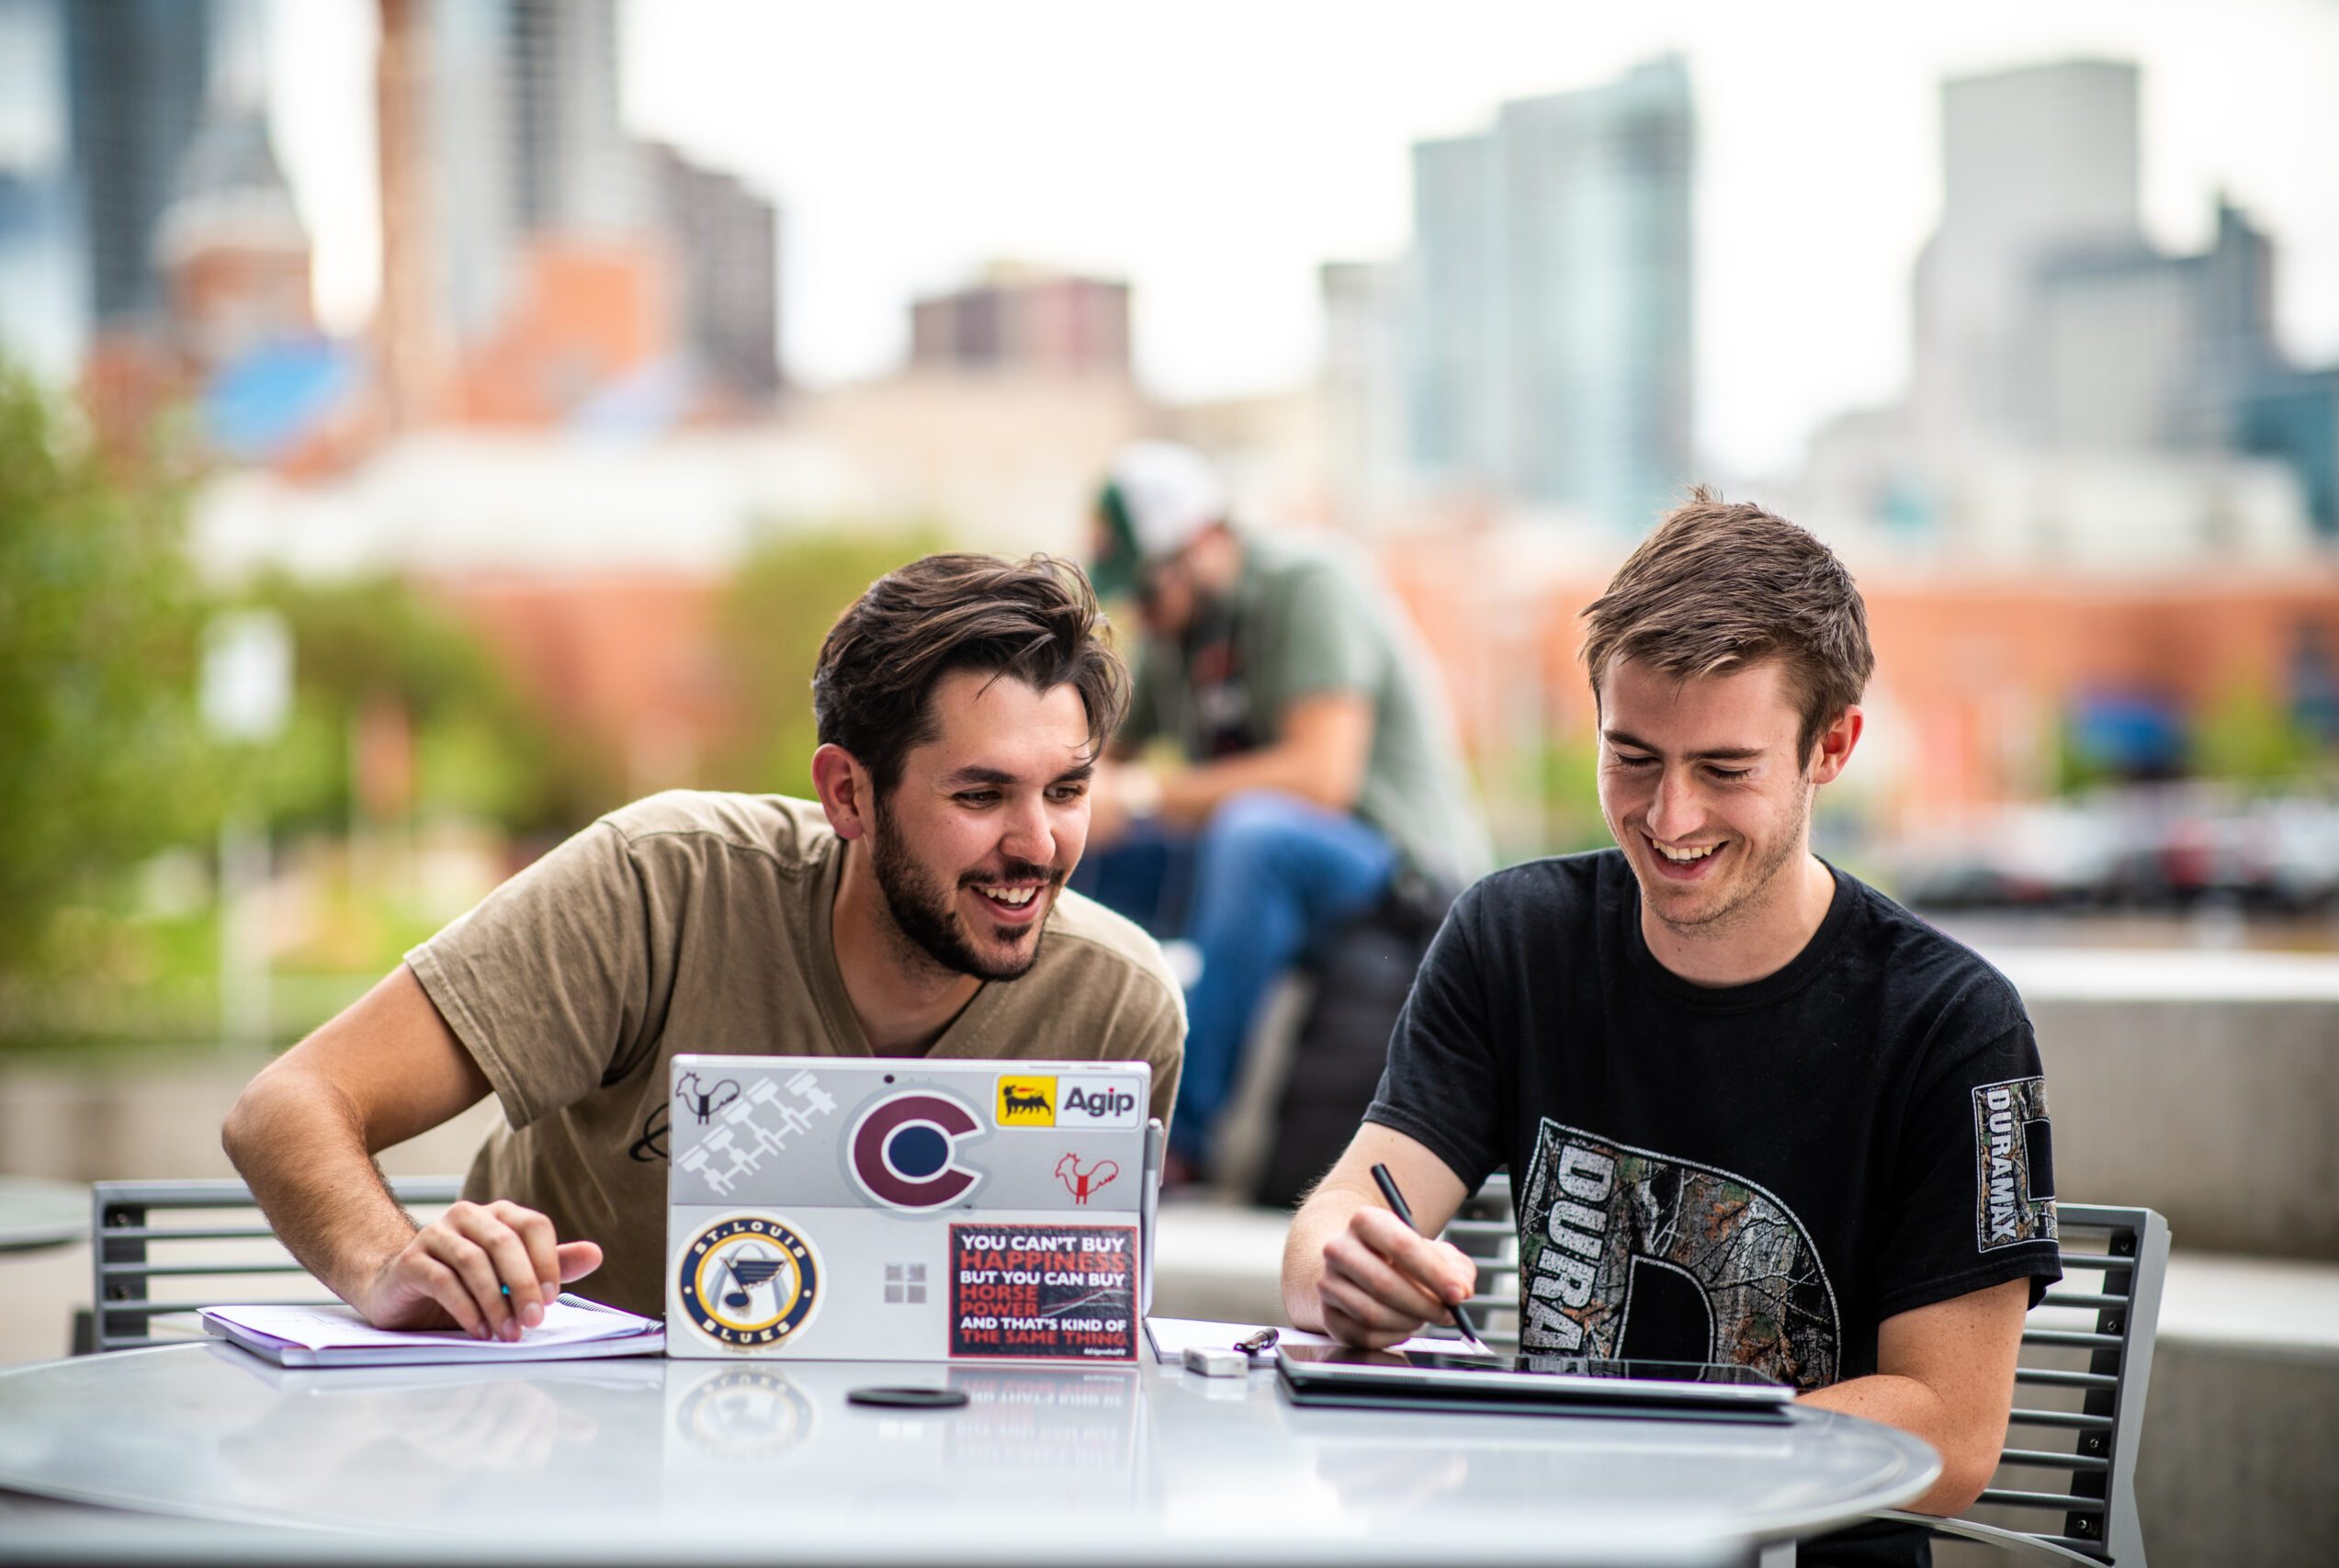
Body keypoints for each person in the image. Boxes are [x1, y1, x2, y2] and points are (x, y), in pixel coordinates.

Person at [1281, 492, 2061, 1566]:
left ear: (1830, 747)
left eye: (1724, 770)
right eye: (1632, 757)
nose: (1669, 817)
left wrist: (1626, 1459)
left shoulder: (1949, 1023)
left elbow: (1953, 1430)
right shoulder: (1514, 936)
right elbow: (1340, 1219)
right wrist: (1344, 1273)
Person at [223, 553, 1183, 1330]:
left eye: (1066, 791)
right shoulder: (660, 884)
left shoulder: (1119, 1005)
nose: (1038, 845)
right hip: (565, 1460)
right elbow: (287, 1107)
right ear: (847, 793)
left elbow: (1073, 1341)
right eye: (980, 796)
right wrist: (388, 1262)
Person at [1080, 441, 1489, 1174]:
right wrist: (1063, 805)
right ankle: (1046, 1099)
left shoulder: (1311, 582)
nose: (1141, 612)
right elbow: (1104, 767)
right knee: (1072, 845)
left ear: (1202, 544)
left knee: (1250, 833)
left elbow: (1318, 778)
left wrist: (1138, 794)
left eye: (1146, 590)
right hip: (1275, 866)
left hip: (1402, 873)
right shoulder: (1179, 633)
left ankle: (1180, 1139)